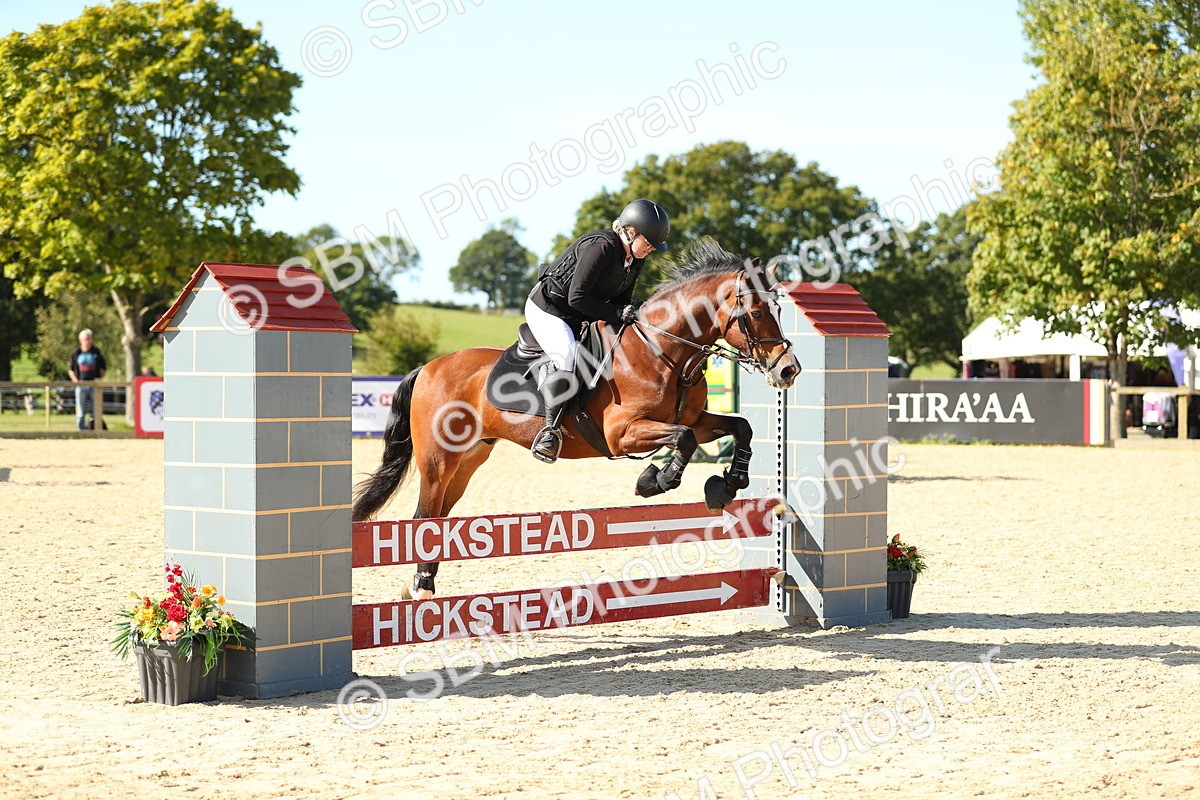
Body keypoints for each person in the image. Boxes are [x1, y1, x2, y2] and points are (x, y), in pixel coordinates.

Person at [524, 198, 670, 463]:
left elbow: (621, 301)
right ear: (630, 231)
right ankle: (550, 431)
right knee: (566, 355)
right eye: (648, 242)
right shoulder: (601, 247)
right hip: (550, 309)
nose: (651, 249)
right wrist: (616, 313)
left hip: (581, 313)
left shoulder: (634, 259)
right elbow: (576, 297)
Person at [68, 329, 107, 431]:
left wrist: (99, 379)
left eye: (89, 339)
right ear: (81, 340)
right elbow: (71, 370)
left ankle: (95, 429)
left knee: (95, 410)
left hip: (94, 385)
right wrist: (76, 381)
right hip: (81, 385)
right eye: (86, 339)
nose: (88, 341)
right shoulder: (76, 353)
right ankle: (81, 431)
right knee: (81, 411)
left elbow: (104, 368)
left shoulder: (96, 352)